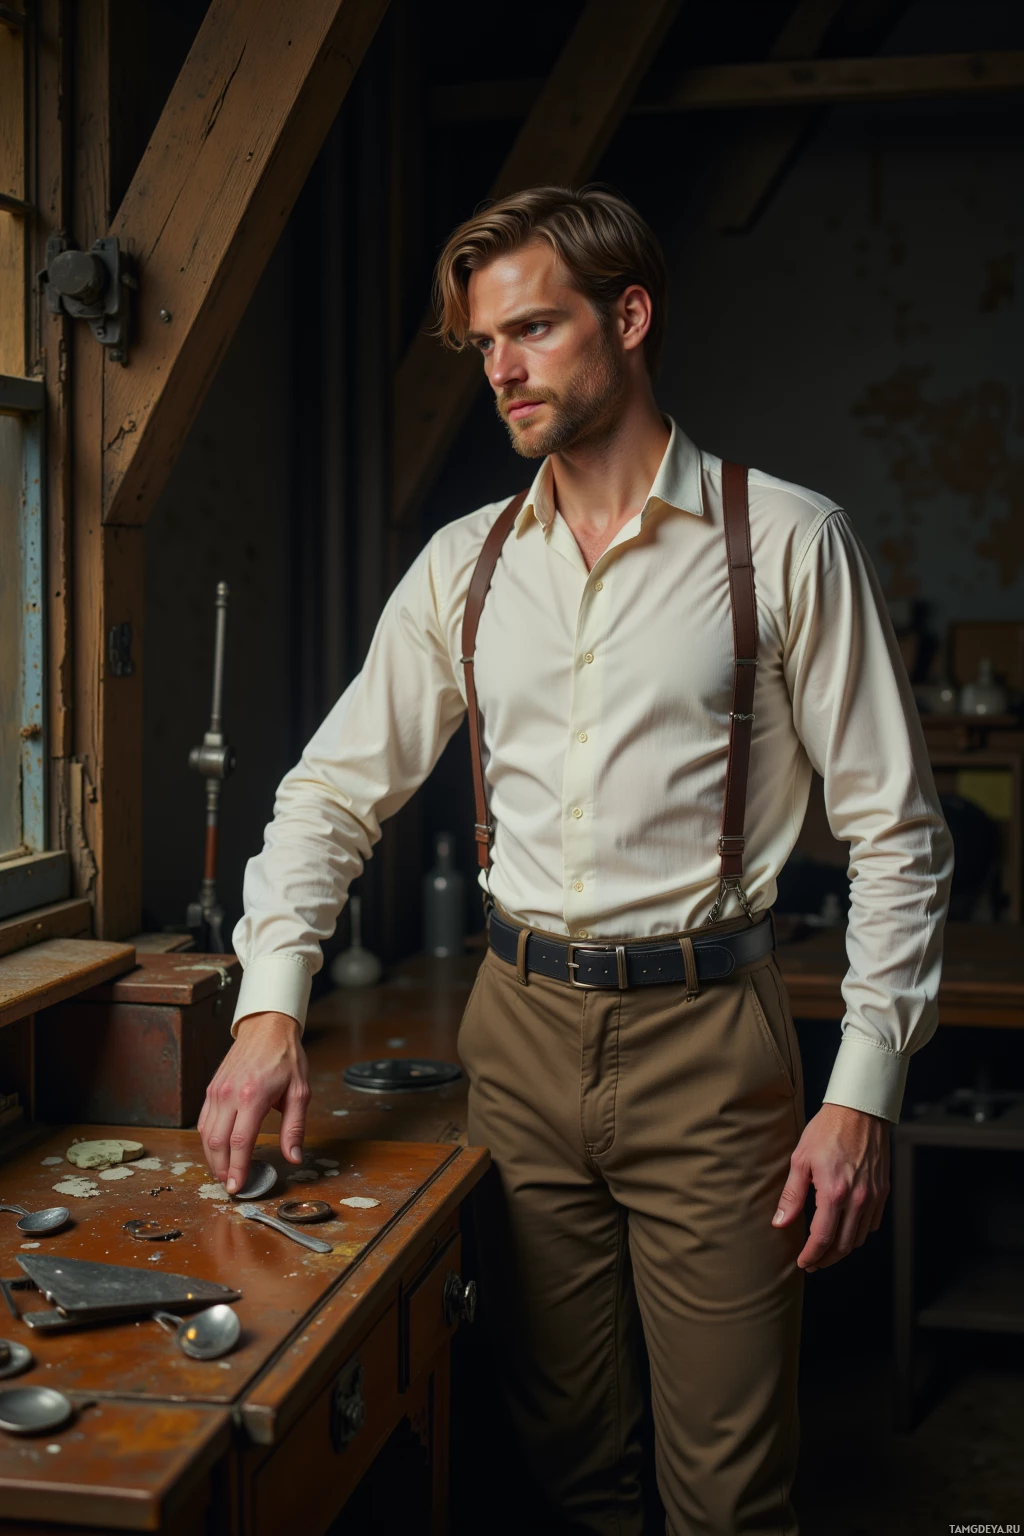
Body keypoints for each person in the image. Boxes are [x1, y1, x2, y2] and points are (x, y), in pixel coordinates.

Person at [199, 185, 953, 1534]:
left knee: (726, 1495)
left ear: (631, 316)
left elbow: (899, 835)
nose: (503, 369)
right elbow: (327, 793)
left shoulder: (784, 539)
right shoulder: (464, 566)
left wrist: (864, 1091)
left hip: (712, 1043)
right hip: (518, 1039)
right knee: (568, 1468)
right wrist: (269, 1014)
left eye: (534, 329)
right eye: (485, 344)